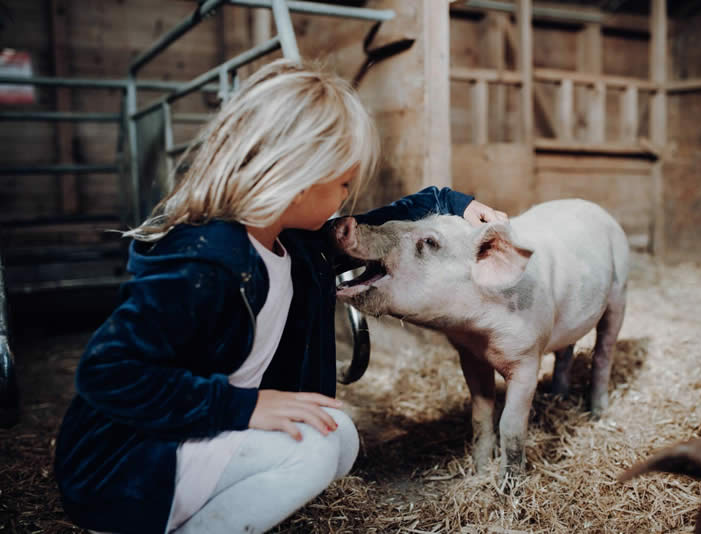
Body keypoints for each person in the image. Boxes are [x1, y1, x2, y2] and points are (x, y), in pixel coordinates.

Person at [54, 58, 508, 534]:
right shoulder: (206, 261)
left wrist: (454, 204)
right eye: (343, 183)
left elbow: (378, 225)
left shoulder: (293, 242)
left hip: (195, 431)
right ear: (298, 179)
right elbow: (107, 373)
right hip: (125, 467)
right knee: (312, 453)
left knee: (339, 437)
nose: (347, 196)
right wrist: (244, 408)